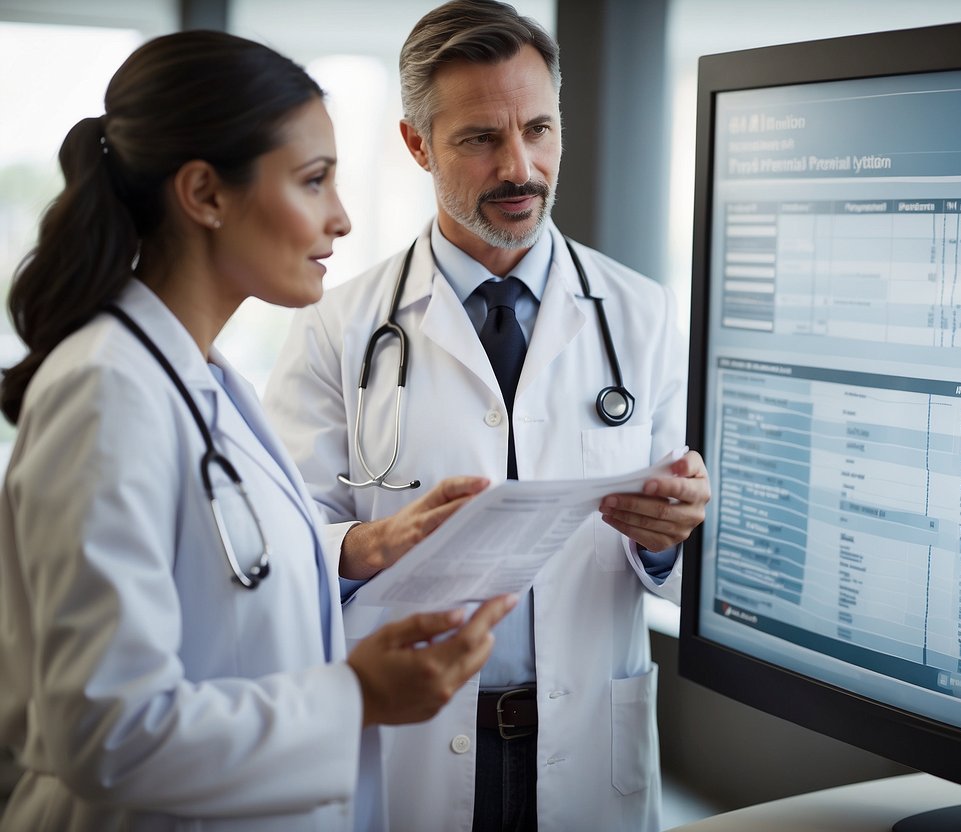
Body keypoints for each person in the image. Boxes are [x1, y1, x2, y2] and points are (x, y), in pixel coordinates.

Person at [0, 30, 516, 832]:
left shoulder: (201, 379)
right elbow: (102, 732)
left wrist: (359, 550)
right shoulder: (107, 390)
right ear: (204, 194)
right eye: (313, 182)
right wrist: (359, 694)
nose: (341, 219)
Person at [261, 1, 712, 830]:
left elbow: (691, 563)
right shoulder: (338, 327)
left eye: (539, 129)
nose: (521, 166)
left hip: (584, 740)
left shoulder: (639, 315)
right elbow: (282, 551)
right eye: (480, 139)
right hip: (414, 741)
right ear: (416, 144)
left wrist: (666, 538)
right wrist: (369, 545)